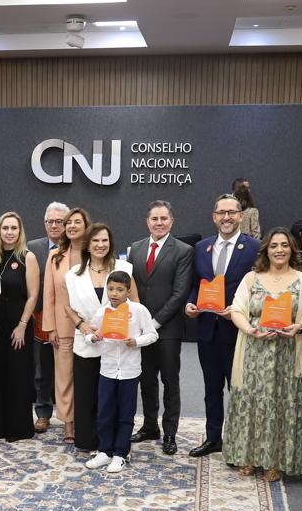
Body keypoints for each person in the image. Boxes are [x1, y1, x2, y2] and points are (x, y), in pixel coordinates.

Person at [221, 227, 302, 480]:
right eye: (274, 245)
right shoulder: (251, 278)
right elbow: (237, 310)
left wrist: (299, 326)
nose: (279, 250)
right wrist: (249, 330)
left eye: (284, 245)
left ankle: (275, 461)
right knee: (250, 402)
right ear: (266, 249)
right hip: (253, 352)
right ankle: (248, 457)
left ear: (292, 249)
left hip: (287, 353)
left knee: (280, 404)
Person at [184, 194, 261, 457]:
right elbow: (197, 284)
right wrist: (190, 304)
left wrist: (240, 312)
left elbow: (261, 290)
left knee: (239, 389)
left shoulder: (255, 248)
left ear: (240, 215)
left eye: (232, 212)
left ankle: (241, 442)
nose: (226, 217)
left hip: (238, 332)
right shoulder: (201, 247)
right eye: (221, 213)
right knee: (211, 389)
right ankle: (213, 438)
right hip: (207, 330)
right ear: (214, 217)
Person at [129, 200, 194, 455]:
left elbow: (180, 293)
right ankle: (149, 426)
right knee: (146, 380)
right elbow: (132, 287)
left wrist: (154, 323)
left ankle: (169, 433)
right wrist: (140, 325)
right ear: (147, 221)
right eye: (154, 219)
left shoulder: (183, 250)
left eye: (163, 219)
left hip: (167, 330)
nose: (159, 223)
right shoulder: (135, 248)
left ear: (171, 221)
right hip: (141, 331)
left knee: (169, 381)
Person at [64, 223, 134, 455]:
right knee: (86, 394)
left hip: (116, 346)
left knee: (111, 398)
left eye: (104, 240)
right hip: (86, 342)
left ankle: (111, 444)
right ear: (87, 244)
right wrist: (82, 326)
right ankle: (87, 441)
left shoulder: (125, 268)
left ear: (110, 243)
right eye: (95, 241)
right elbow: (68, 307)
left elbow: (135, 303)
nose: (100, 245)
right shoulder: (73, 274)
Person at [85, 270, 158, 473]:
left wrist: (136, 341)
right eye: (110, 289)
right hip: (107, 370)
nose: (114, 293)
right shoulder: (101, 312)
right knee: (104, 412)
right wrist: (93, 338)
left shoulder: (139, 310)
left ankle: (120, 453)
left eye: (119, 289)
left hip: (129, 371)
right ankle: (105, 451)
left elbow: (153, 334)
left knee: (126, 413)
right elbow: (88, 334)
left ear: (128, 291)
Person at [0, 211, 39, 443]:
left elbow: (32, 296)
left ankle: (18, 428)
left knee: (18, 374)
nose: (9, 232)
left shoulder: (27, 257)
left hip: (19, 324)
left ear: (20, 232)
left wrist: (22, 325)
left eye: (14, 228)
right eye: (5, 228)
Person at [42, 207, 89, 444]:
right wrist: (49, 327)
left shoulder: (95, 252)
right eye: (68, 223)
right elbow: (49, 294)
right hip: (62, 326)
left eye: (76, 222)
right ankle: (68, 422)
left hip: (90, 327)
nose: (71, 226)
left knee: (88, 376)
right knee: (64, 376)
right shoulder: (55, 256)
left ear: (85, 226)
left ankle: (87, 420)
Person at [26, 202, 68, 433]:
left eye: (59, 221)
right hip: (40, 318)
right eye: (50, 221)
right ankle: (43, 413)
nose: (54, 225)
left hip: (69, 319)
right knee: (42, 371)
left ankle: (69, 414)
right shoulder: (32, 248)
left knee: (67, 370)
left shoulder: (77, 248)